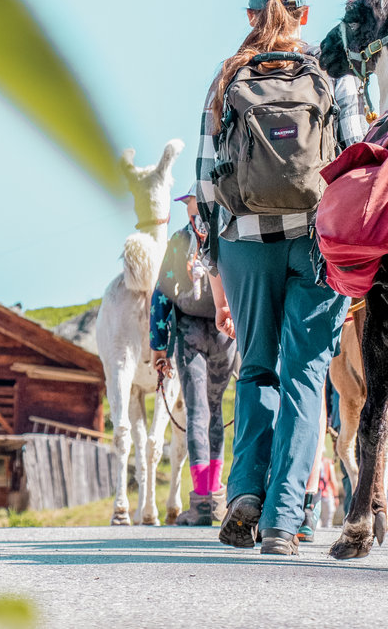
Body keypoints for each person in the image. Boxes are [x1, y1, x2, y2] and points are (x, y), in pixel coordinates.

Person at [196, 0, 365, 555]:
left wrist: (217, 284)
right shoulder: (333, 81)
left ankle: (244, 494)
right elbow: (356, 169)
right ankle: (282, 520)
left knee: (257, 369)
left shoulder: (225, 83)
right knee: (306, 375)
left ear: (249, 17)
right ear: (306, 16)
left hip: (244, 246)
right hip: (316, 247)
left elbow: (206, 190)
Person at [149, 186, 237, 526]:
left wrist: (159, 346)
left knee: (199, 411)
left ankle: (202, 502)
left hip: (190, 334)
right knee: (213, 409)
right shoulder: (229, 234)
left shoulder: (178, 241)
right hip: (224, 332)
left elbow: (162, 295)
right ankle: (214, 496)